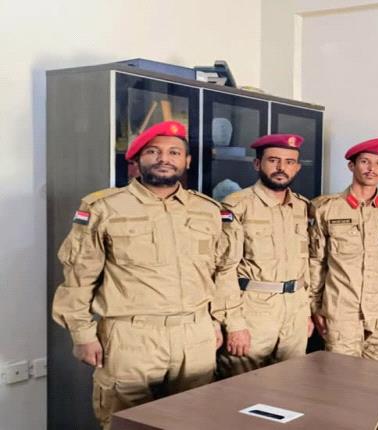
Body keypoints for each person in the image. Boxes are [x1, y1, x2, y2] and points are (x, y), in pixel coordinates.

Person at [51, 121, 249, 429]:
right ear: (136, 160)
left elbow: (222, 273)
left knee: (195, 420)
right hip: (131, 337)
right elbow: (79, 277)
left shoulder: (208, 210)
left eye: (174, 152)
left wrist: (227, 322)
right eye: (153, 152)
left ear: (187, 161)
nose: (164, 159)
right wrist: (82, 335)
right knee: (128, 422)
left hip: (195, 334)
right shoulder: (105, 208)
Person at [216, 134, 313, 376]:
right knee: (242, 388)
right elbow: (223, 269)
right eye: (273, 160)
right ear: (257, 164)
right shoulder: (236, 205)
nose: (281, 168)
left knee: (292, 386)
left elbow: (306, 264)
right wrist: (234, 324)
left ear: (297, 167)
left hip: (295, 313)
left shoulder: (302, 206)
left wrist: (306, 313)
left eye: (289, 162)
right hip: (253, 313)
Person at [308, 137, 378, 362]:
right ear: (351, 166)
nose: (372, 169)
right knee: (342, 378)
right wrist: (315, 306)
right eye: (365, 162)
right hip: (342, 313)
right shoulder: (326, 208)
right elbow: (316, 262)